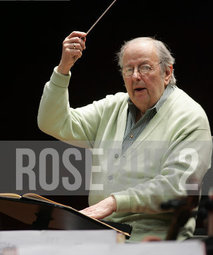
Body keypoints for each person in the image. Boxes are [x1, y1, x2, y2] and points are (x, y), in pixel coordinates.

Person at [38, 31, 212, 241]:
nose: (136, 76)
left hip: (154, 244)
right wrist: (63, 69)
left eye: (145, 67)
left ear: (167, 72)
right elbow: (53, 122)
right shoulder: (113, 107)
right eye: (129, 69)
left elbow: (178, 187)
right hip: (101, 238)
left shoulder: (190, 116)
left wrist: (114, 202)